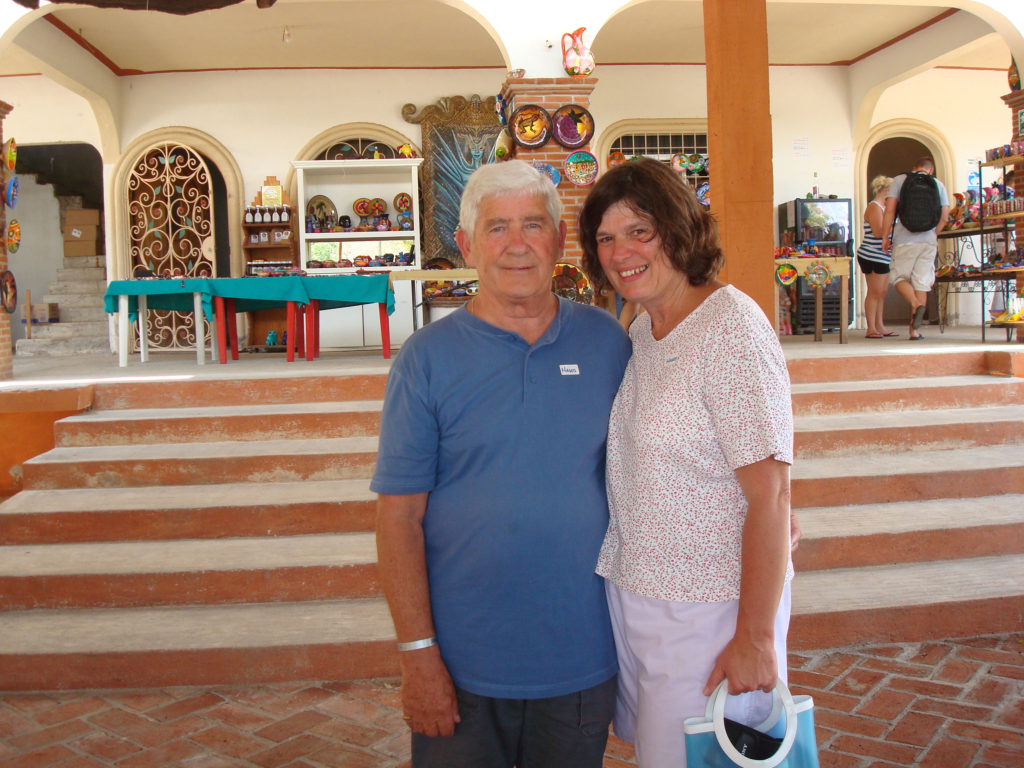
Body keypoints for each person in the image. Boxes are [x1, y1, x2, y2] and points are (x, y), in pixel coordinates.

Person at [372, 159, 631, 767]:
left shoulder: (608, 344)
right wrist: (417, 654)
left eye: (533, 225)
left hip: (580, 657)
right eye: (497, 228)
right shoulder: (425, 359)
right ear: (466, 245)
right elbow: (398, 520)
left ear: (559, 240)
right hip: (462, 665)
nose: (517, 245)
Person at [579, 158, 794, 768]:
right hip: (642, 594)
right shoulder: (645, 331)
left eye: (639, 231)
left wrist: (754, 637)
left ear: (677, 230)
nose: (621, 253)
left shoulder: (731, 328)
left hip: (711, 607)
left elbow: (772, 494)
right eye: (606, 238)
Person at [880, 157, 949, 340]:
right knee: (922, 283)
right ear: (931, 170)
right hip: (928, 241)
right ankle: (914, 331)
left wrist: (885, 236)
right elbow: (944, 217)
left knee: (898, 277)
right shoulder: (938, 185)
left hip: (904, 239)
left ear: (914, 167)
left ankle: (915, 303)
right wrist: (933, 234)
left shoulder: (900, 180)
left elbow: (890, 210)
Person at [858, 174, 896, 338]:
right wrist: (899, 228)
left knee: (882, 292)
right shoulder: (874, 207)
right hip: (872, 255)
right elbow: (879, 232)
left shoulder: (884, 208)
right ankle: (871, 328)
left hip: (883, 255)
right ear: (887, 191)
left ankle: (879, 326)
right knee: (874, 292)